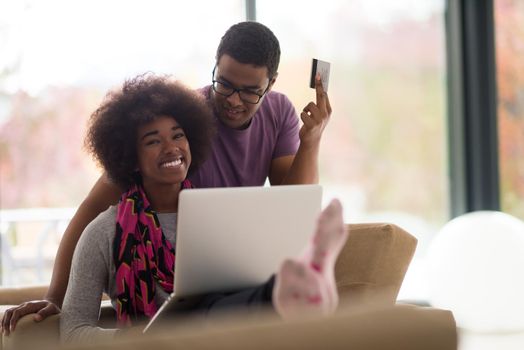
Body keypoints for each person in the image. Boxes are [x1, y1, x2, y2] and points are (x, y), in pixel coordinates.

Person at [1, 21, 332, 334]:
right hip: (176, 279)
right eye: (225, 84)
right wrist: (54, 297)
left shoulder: (278, 112)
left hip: (231, 267)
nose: (233, 100)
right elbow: (92, 209)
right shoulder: (182, 117)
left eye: (249, 92)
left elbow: (293, 205)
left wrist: (311, 140)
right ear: (214, 68)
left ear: (270, 84)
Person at [51, 74, 345, 344]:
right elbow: (73, 332)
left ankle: (293, 285)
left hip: (219, 337)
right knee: (199, 315)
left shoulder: (215, 218)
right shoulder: (103, 232)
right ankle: (288, 289)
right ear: (130, 159)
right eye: (153, 141)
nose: (171, 148)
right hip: (152, 341)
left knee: (219, 307)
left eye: (178, 136)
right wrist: (135, 342)